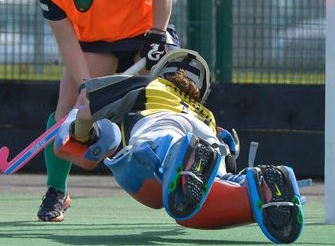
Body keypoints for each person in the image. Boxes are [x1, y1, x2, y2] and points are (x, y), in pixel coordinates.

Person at [26, 0, 178, 222]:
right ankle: (56, 192)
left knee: (163, 107)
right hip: (99, 46)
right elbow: (69, 44)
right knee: (68, 108)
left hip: (145, 42)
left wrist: (158, 34)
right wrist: (86, 87)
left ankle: (194, 174)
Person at [54, 49, 308, 244]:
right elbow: (229, 159)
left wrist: (81, 133)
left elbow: (86, 111)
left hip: (162, 127)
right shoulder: (207, 114)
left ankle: (186, 160)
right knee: (218, 180)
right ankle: (261, 186)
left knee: (160, 151)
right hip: (208, 136)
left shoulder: (145, 84)